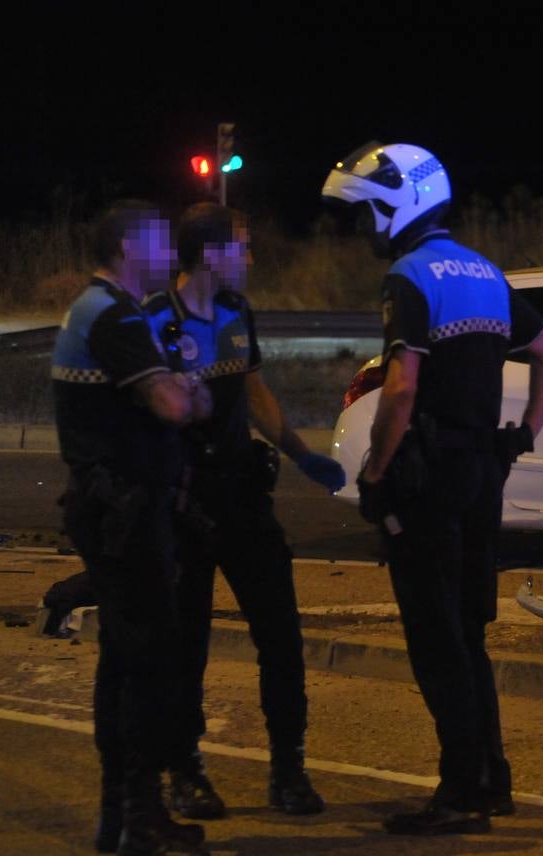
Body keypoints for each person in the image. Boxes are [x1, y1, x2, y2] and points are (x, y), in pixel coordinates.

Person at [321, 142, 543, 834]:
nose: (363, 229)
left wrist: (374, 474)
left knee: (435, 638)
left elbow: (400, 390)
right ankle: (491, 779)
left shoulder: (409, 276)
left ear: (397, 205)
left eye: (366, 213)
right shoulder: (485, 272)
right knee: (468, 632)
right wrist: (522, 433)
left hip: (427, 478)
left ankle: (462, 792)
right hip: (481, 472)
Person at [143, 202, 345, 819]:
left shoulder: (236, 312)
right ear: (209, 255)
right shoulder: (155, 321)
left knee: (281, 636)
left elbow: (254, 392)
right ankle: (185, 770)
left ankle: (289, 769)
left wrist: (303, 454)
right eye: (242, 247)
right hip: (182, 504)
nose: (251, 258)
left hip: (241, 496)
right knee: (186, 645)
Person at [51, 200, 212, 856]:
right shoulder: (115, 315)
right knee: (145, 666)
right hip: (126, 511)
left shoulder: (105, 310)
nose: (170, 250)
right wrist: (190, 387)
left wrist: (181, 383)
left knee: (123, 661)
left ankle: (120, 813)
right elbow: (177, 404)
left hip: (112, 508)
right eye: (156, 240)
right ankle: (142, 826)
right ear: (125, 246)